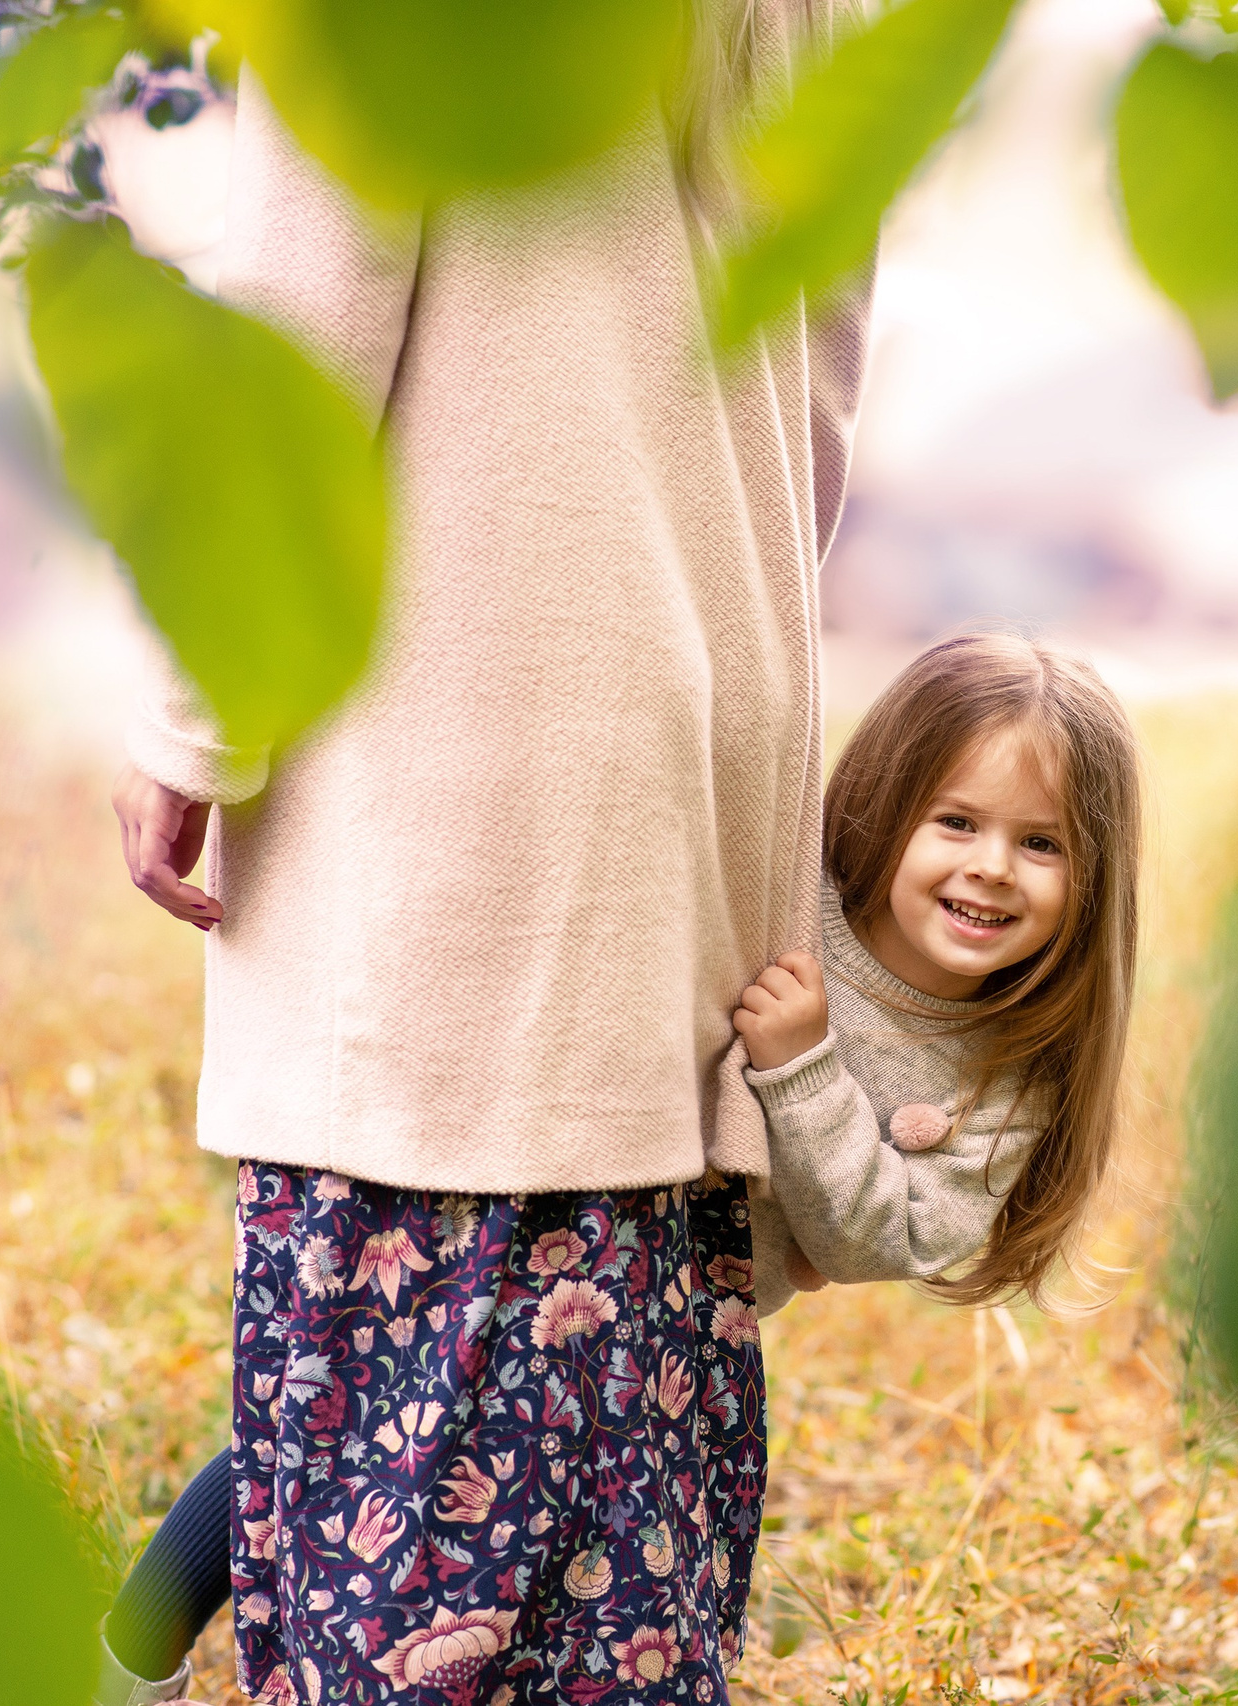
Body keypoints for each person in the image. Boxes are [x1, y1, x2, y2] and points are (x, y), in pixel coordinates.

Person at [96, 0, 869, 1694]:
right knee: (628, 1448)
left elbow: (302, 332)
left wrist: (188, 716)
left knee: (406, 1420)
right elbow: (822, 351)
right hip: (704, 693)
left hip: (467, 737)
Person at [730, 633, 1143, 1319]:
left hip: (695, 1334)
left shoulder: (1011, 1079)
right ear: (887, 805)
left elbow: (881, 1244)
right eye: (957, 821)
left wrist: (802, 1071)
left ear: (1094, 879)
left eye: (1041, 843)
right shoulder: (784, 906)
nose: (994, 867)